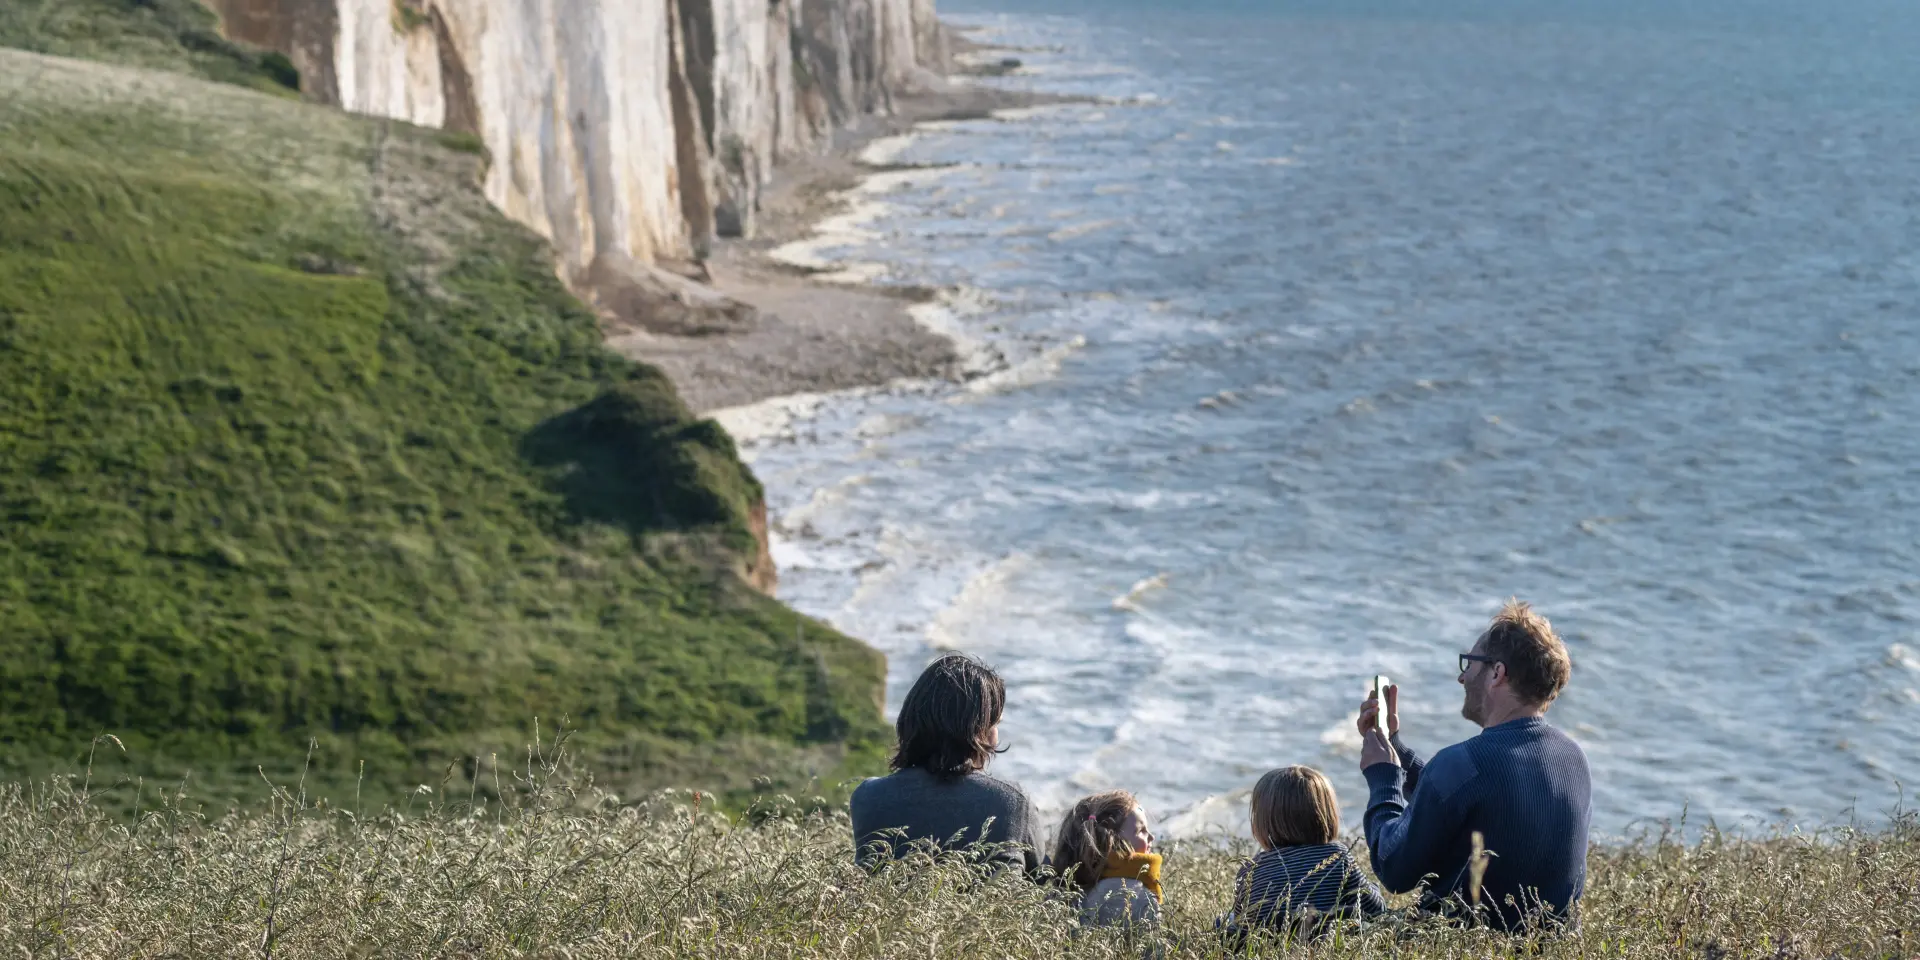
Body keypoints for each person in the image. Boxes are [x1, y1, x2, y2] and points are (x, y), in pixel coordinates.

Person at [1357, 599, 1592, 930]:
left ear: (1497, 673)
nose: (1463, 678)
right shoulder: (1573, 758)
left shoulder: (1459, 764)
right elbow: (1477, 799)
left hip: (1464, 947)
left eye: (1469, 664)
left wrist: (1382, 777)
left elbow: (1393, 869)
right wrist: (1395, 749)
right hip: (1552, 949)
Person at [850, 654, 1041, 875]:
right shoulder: (1012, 801)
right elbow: (1042, 882)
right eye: (995, 724)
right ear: (979, 732)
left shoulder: (868, 798)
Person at [1217, 766, 1385, 943]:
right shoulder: (1337, 856)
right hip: (1318, 945)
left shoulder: (1249, 869)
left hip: (1262, 946)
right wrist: (1374, 887)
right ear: (1327, 816)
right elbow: (1375, 910)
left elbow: (1241, 922)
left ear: (1261, 823)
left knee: (1225, 921)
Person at [1050, 790, 1161, 929]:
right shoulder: (1135, 894)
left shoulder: (1059, 895)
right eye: (1141, 831)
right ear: (1111, 841)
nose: (1151, 837)